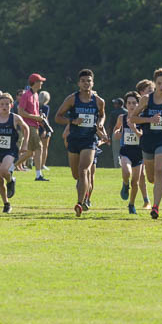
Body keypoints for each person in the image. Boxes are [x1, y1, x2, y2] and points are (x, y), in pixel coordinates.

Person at [54, 69, 106, 218]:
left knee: (84, 170)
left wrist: (100, 124)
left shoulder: (98, 101)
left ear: (92, 83)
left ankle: (80, 202)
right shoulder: (72, 99)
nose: (86, 83)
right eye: (83, 81)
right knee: (76, 174)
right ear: (79, 83)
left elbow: (102, 115)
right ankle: (84, 194)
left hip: (89, 140)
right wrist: (72, 121)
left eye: (89, 81)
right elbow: (58, 117)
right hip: (74, 139)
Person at [130, 68, 162, 220]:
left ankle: (156, 207)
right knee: (151, 177)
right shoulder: (146, 100)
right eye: (159, 83)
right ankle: (154, 185)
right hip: (148, 139)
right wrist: (149, 120)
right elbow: (133, 118)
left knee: (160, 170)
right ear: (155, 83)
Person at [0, 93, 27, 213]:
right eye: (2, 104)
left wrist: (24, 143)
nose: (4, 106)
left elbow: (26, 128)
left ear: (11, 105)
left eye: (7, 104)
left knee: (3, 171)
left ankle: (10, 180)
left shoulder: (14, 118)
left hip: (10, 150)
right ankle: (6, 203)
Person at [113, 92, 149, 214]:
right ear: (126, 105)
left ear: (138, 104)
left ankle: (131, 204)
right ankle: (124, 184)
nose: (132, 105)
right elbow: (116, 130)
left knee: (135, 182)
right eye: (129, 103)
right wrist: (117, 133)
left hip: (138, 152)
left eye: (134, 103)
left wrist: (134, 129)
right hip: (125, 151)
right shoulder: (122, 118)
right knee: (126, 171)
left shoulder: (142, 118)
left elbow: (143, 136)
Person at [16, 73, 47, 180]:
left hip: (35, 125)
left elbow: (36, 112)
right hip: (28, 126)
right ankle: (39, 175)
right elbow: (21, 112)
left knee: (30, 152)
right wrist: (35, 117)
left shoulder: (36, 95)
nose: (42, 83)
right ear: (35, 83)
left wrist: (40, 118)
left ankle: (10, 167)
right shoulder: (26, 95)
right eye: (40, 81)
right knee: (39, 147)